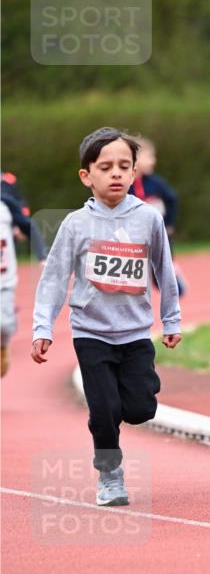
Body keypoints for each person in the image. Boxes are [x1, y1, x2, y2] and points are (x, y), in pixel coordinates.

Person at [31, 127, 182, 505]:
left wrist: (172, 319)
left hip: (134, 333)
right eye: (105, 167)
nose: (115, 173)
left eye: (123, 166)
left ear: (134, 173)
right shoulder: (75, 225)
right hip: (91, 332)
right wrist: (42, 326)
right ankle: (110, 475)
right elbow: (53, 279)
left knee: (139, 409)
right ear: (87, 176)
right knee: (104, 411)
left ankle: (134, 395)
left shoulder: (148, 219)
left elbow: (165, 270)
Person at [129, 136, 186, 296]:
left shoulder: (156, 183)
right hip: (133, 237)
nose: (153, 161)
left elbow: (172, 199)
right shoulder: (124, 185)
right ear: (134, 159)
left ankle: (175, 283)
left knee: (161, 273)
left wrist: (169, 223)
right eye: (149, 157)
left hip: (159, 233)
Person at [1, 199, 18, 377]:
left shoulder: (5, 205)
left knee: (4, 325)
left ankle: (3, 345)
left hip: (4, 280)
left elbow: (25, 223)